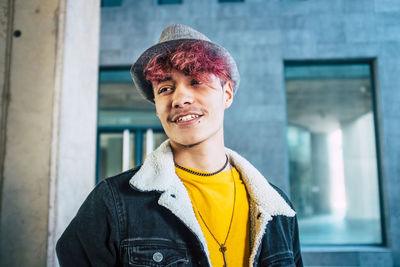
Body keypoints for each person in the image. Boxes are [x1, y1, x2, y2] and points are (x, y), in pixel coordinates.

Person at [56, 24, 303, 267]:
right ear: (156, 105)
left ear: (226, 94)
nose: (180, 99)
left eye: (196, 81)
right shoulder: (113, 202)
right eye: (165, 89)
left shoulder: (277, 209)